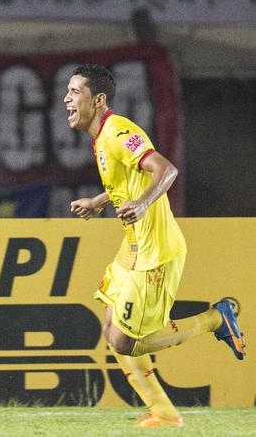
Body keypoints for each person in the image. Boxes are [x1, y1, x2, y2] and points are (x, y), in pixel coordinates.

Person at [64, 64, 245, 429]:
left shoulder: (119, 132)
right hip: (134, 246)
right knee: (110, 324)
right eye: (67, 92)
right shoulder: (102, 137)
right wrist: (99, 202)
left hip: (155, 253)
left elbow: (166, 169)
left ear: (98, 100)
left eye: (74, 92)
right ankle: (163, 412)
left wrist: (143, 204)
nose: (66, 99)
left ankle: (215, 319)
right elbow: (127, 180)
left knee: (125, 342)